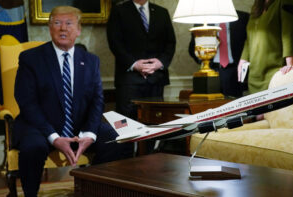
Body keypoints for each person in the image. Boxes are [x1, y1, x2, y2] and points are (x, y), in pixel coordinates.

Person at [13, 6, 131, 197]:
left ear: (78, 30)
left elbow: (97, 101)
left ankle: (95, 190)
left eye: (69, 23)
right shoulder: (31, 58)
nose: (63, 29)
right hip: (41, 127)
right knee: (32, 147)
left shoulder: (91, 60)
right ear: (50, 28)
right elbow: (27, 103)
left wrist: (89, 134)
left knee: (114, 138)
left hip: (79, 125)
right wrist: (54, 137)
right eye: (57, 23)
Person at [106, 0, 176, 120]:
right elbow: (115, 42)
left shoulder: (162, 12)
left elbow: (170, 43)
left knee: (155, 121)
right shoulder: (119, 11)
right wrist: (134, 64)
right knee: (125, 123)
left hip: (156, 77)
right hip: (129, 79)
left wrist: (160, 63)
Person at [237, 0, 293, 94]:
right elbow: (249, 38)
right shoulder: (256, 6)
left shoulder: (284, 2)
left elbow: (288, 34)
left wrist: (290, 64)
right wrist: (242, 60)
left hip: (274, 72)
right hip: (254, 74)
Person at [189, 11, 249, 98]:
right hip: (212, 71)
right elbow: (192, 47)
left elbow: (248, 43)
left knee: (235, 106)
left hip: (235, 72)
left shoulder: (241, 17)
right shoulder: (203, 20)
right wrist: (204, 62)